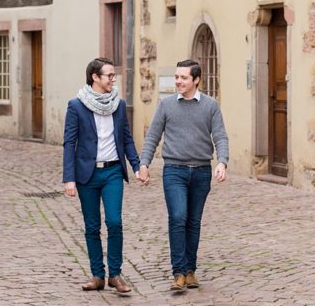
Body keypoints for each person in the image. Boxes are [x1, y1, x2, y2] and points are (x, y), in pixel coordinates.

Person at [138, 59, 229, 292]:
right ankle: (178, 272)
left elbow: (220, 136)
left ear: (196, 80)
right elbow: (152, 136)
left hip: (201, 171)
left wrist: (222, 162)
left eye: (183, 78)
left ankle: (190, 270)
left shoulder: (210, 105)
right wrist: (144, 164)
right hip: (174, 171)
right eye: (177, 77)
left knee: (193, 221)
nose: (178, 81)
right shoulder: (166, 105)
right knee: (178, 217)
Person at [62, 58, 142, 293]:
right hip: (87, 174)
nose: (113, 79)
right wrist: (69, 178)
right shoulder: (76, 106)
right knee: (92, 226)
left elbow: (126, 138)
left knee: (114, 222)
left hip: (113, 172)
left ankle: (115, 274)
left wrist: (137, 166)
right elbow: (69, 142)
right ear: (95, 78)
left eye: (113, 75)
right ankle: (98, 275)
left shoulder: (118, 105)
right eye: (109, 75)